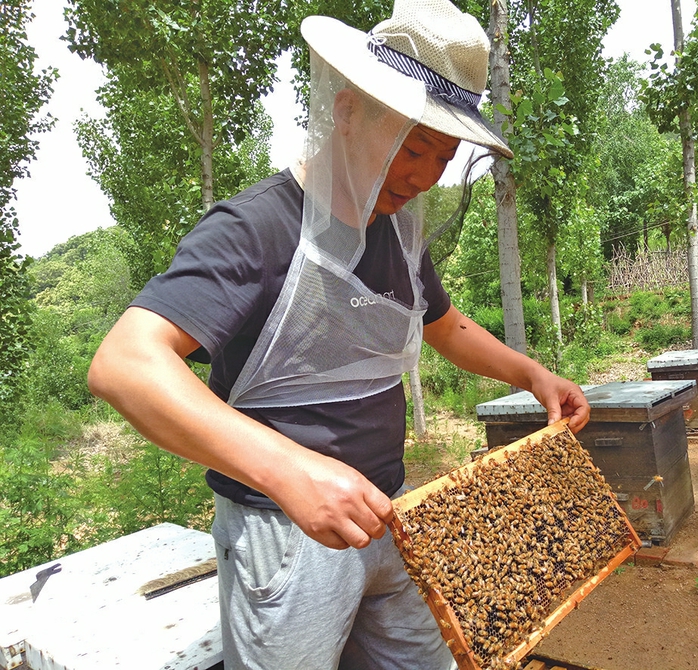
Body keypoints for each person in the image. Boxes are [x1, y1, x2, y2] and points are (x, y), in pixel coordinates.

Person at [88, 0, 591, 667]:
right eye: (411, 147)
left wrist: (530, 375)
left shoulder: (399, 228)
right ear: (348, 110)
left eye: (441, 157)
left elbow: (443, 324)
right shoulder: (254, 228)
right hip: (283, 532)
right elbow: (124, 363)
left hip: (391, 511)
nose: (421, 176)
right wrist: (289, 472)